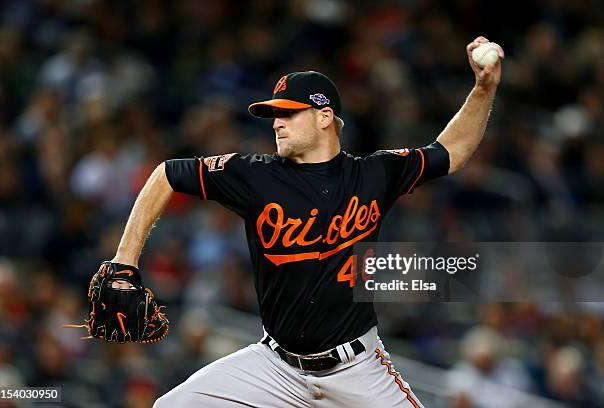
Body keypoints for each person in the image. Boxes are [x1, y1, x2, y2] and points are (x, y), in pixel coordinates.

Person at [109, 36, 503, 407]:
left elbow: (450, 151)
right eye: (274, 115)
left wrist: (483, 89)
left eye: (288, 113)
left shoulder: (373, 174)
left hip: (357, 369)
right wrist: (125, 262)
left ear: (324, 116)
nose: (276, 122)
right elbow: (166, 175)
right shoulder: (255, 175)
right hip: (274, 366)